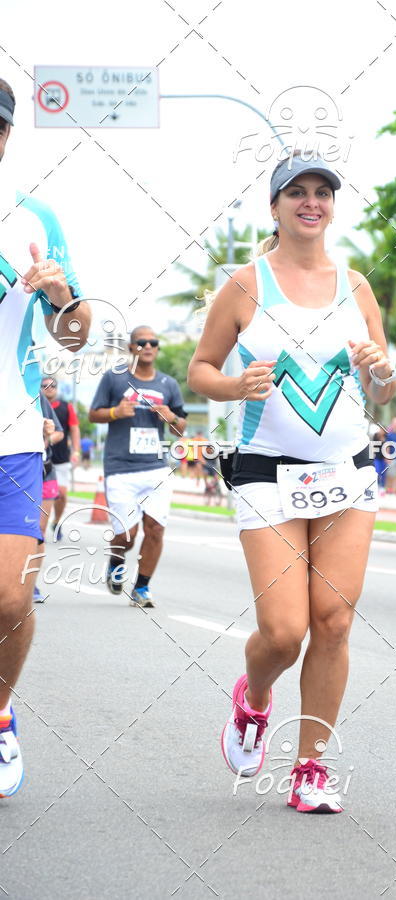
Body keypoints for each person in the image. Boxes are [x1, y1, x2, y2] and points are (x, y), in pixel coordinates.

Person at [188, 153, 396, 812]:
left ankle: (310, 768)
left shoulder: (357, 286)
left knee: (332, 623)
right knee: (284, 631)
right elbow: (200, 369)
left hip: (348, 472)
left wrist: (381, 369)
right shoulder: (246, 286)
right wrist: (233, 385)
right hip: (266, 474)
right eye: (297, 193)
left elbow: (381, 389)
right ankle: (252, 703)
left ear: (333, 206)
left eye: (322, 193)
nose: (312, 203)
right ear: (274, 207)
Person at [0, 78, 90, 797]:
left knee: (9, 601)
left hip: (12, 435)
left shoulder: (34, 218)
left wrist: (61, 297)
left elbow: (77, 332)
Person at [89, 326, 187, 608]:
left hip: (155, 467)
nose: (148, 346)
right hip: (120, 468)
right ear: (131, 347)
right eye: (141, 342)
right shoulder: (115, 378)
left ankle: (142, 587)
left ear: (157, 348)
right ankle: (116, 560)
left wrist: (171, 417)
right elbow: (94, 414)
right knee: (126, 535)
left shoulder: (168, 384)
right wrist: (114, 412)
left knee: (155, 529)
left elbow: (181, 428)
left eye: (153, 343)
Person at [40, 377, 81, 540]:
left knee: (62, 493)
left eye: (52, 386)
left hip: (61, 457)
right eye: (45, 386)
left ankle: (56, 521)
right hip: (41, 459)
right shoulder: (37, 405)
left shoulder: (66, 407)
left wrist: (76, 451)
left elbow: (74, 429)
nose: (49, 388)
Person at [34, 394, 64, 603]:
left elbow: (58, 432)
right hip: (11, 471)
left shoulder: (36, 395)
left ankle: (30, 583)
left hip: (44, 471)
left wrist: (46, 438)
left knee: (38, 532)